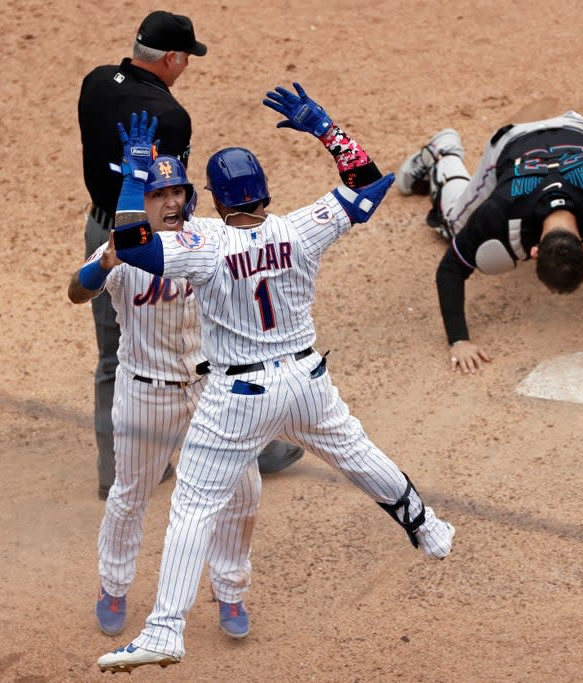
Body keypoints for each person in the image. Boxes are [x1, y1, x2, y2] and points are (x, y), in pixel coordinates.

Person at [95, 84, 456, 674]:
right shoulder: (301, 227)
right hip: (307, 383)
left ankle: (164, 630)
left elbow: (133, 247)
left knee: (192, 506)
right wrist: (324, 127)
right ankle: (429, 529)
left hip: (238, 398)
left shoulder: (203, 243)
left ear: (211, 197)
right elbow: (369, 187)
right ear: (263, 191)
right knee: (357, 452)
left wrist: (136, 179)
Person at [77, 11, 301, 499]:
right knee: (205, 341)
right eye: (187, 58)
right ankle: (254, 449)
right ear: (173, 58)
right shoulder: (171, 117)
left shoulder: (95, 82)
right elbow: (170, 192)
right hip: (158, 242)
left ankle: (114, 471)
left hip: (101, 227)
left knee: (117, 354)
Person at [68, 155, 261, 640]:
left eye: (177, 191)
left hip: (211, 389)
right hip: (145, 395)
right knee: (131, 497)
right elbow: (76, 290)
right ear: (142, 203)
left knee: (243, 491)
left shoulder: (211, 238)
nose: (172, 201)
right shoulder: (121, 249)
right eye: (158, 194)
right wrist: (106, 261)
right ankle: (113, 586)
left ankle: (231, 590)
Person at [395, 111, 583, 374]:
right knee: (454, 226)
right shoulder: (498, 209)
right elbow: (450, 269)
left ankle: (446, 153)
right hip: (511, 144)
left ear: (533, 252)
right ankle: (444, 153)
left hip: (578, 132)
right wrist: (458, 339)